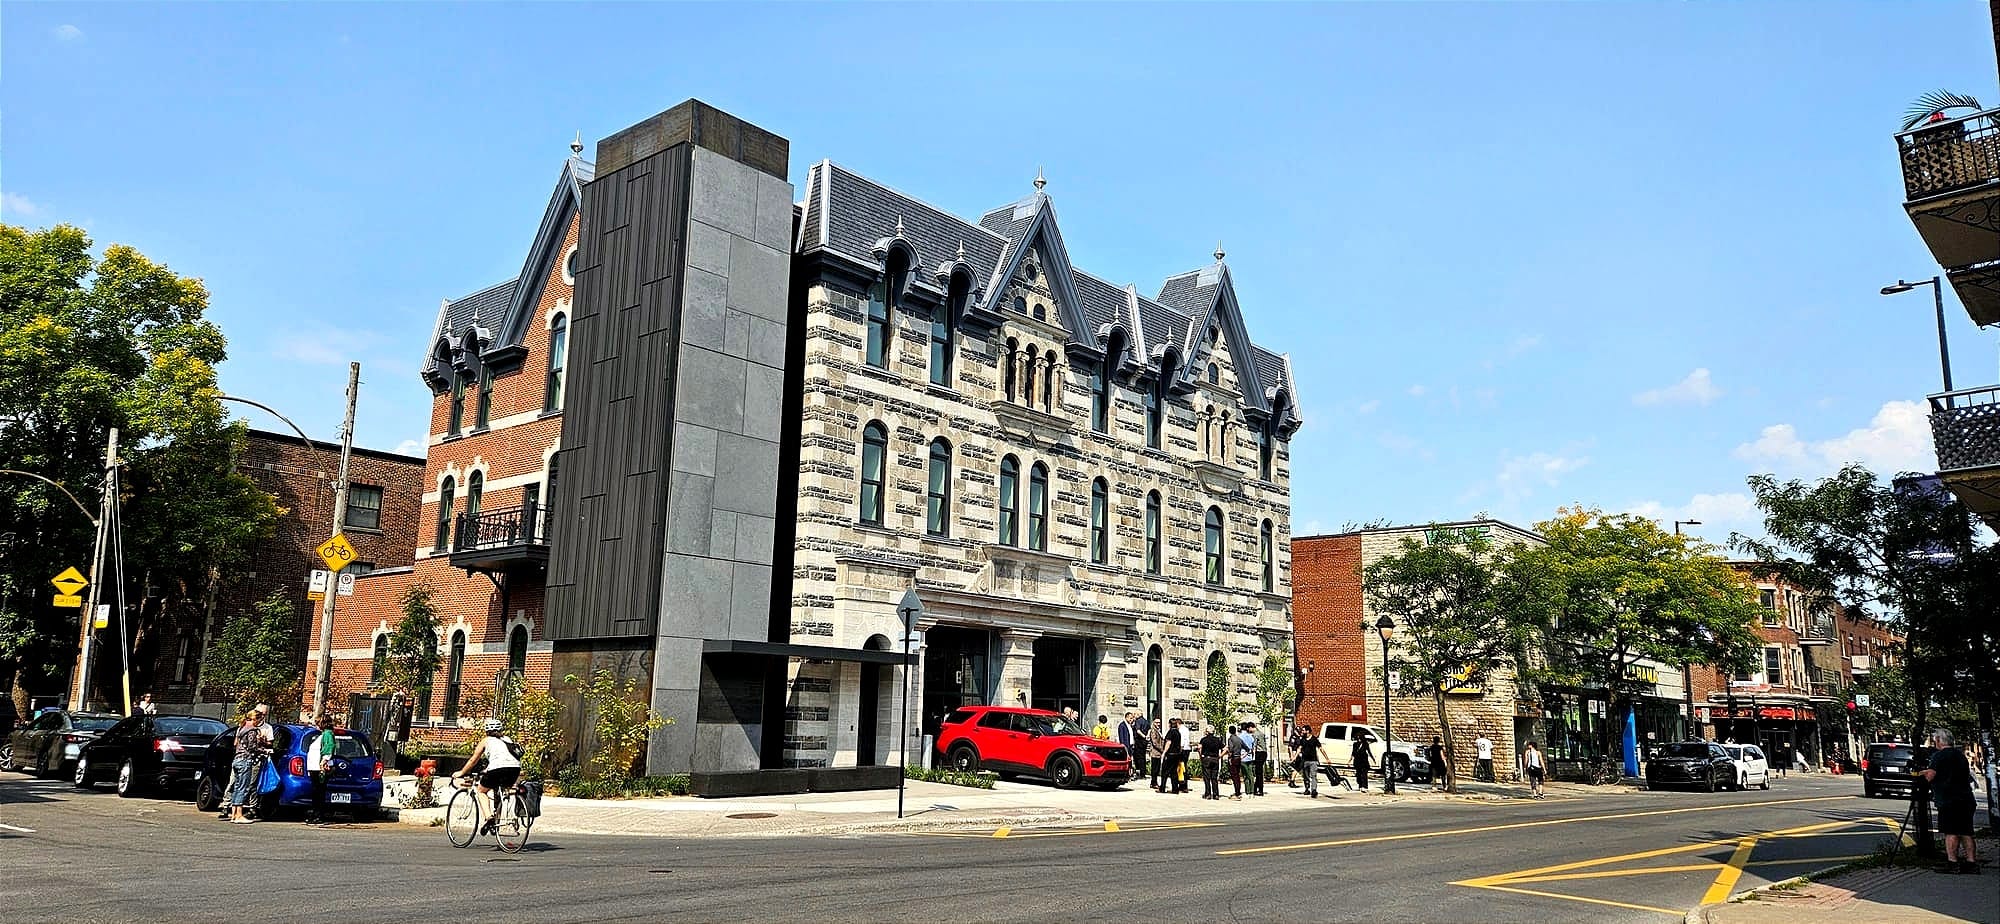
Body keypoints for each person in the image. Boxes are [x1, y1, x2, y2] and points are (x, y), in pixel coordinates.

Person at [1918, 729, 1979, 874]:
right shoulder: (1960, 756)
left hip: (1949, 800)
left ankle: (1952, 863)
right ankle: (1971, 863)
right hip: (1966, 798)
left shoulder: (1938, 756)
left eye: (1935, 740)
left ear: (1939, 741)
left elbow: (1931, 776)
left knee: (1951, 832)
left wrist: (1923, 775)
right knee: (1966, 832)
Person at [452, 719, 523, 835]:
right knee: (500, 791)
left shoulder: (486, 741)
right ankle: (497, 822)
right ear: (500, 729)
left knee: (481, 791)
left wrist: (461, 772)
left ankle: (489, 818)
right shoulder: (507, 739)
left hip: (497, 768)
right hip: (514, 769)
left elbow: (473, 760)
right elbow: (506, 758)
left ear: (486, 731)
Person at [226, 704, 274, 824]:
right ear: (255, 719)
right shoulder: (252, 730)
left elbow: (238, 744)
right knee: (243, 787)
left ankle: (233, 814)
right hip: (245, 760)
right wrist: (264, 750)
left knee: (237, 787)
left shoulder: (242, 728)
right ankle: (239, 815)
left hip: (236, 759)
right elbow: (252, 747)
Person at [303, 714, 338, 825]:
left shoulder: (327, 734)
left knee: (318, 791)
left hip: (320, 767)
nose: (316, 725)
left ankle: (318, 815)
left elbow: (329, 747)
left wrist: (324, 760)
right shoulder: (323, 734)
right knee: (316, 791)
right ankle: (315, 813)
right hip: (315, 767)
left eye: (318, 723)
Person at [1117, 712, 1146, 780]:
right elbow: (1122, 737)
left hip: (1131, 746)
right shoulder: (1122, 725)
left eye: (1132, 718)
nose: (1132, 719)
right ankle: (1126, 775)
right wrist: (1124, 747)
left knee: (1130, 761)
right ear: (1126, 717)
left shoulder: (1130, 725)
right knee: (1127, 761)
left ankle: (1129, 774)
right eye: (1130, 718)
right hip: (1126, 746)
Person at [1198, 725, 1224, 800]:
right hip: (1215, 759)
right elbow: (1225, 749)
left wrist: (1201, 756)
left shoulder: (1203, 740)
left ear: (1207, 731)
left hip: (1206, 758)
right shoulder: (1218, 740)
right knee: (1214, 778)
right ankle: (1216, 794)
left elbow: (1199, 748)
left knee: (1207, 777)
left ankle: (1208, 794)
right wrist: (1220, 756)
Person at [1296, 726, 1323, 798]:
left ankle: (1314, 790)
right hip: (1305, 761)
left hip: (1313, 760)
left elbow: (1320, 748)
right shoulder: (1303, 739)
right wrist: (1294, 757)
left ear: (1308, 731)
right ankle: (1307, 789)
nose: (1302, 732)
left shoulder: (1314, 739)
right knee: (1306, 776)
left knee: (1313, 776)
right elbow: (1299, 748)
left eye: (1303, 730)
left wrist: (1327, 759)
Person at [1163, 717, 1188, 794]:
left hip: (1170, 754)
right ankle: (1175, 789)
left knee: (1165, 772)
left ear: (1170, 724)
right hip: (1177, 754)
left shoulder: (1171, 732)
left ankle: (1162, 788)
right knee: (1174, 772)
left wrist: (1164, 752)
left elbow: (1168, 743)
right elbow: (1180, 744)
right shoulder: (1178, 732)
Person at [1240, 723, 1265, 796]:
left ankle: (1258, 790)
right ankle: (1257, 788)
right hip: (1264, 753)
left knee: (1257, 773)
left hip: (1259, 753)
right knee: (1260, 773)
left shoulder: (1255, 735)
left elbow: (1253, 746)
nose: (1248, 730)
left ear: (1251, 727)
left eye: (1248, 729)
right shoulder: (1261, 733)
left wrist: (1252, 756)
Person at [1149, 717, 1169, 792]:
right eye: (1156, 722)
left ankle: (1154, 782)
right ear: (1153, 723)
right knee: (1154, 768)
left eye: (1159, 723)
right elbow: (1154, 742)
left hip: (1158, 753)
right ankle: (1153, 782)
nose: (1158, 724)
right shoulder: (1153, 731)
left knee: (1157, 768)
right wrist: (1162, 749)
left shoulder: (1158, 730)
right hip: (1155, 752)